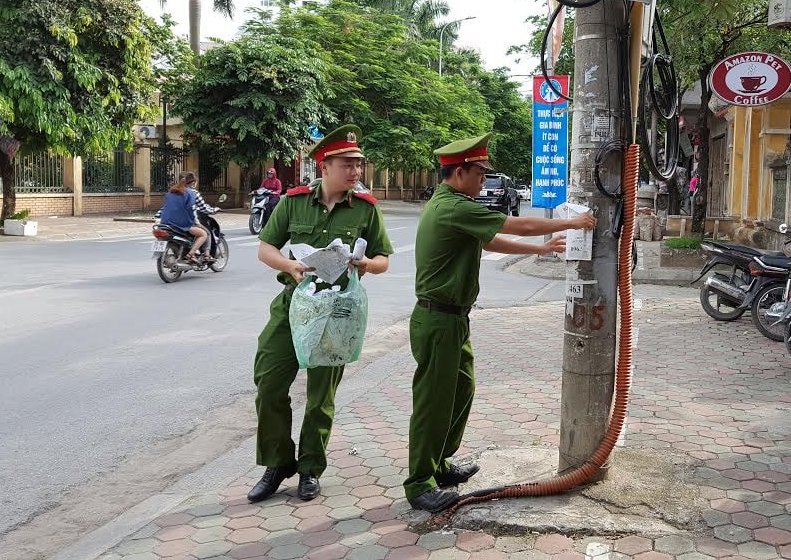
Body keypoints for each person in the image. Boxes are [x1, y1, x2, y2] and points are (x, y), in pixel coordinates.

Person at [404, 133, 597, 513]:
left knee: (461, 391)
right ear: (459, 172)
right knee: (433, 402)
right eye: (479, 174)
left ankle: (439, 464)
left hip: (453, 319)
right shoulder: (452, 206)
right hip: (437, 319)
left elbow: (490, 242)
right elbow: (514, 225)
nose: (484, 182)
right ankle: (419, 483)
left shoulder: (456, 205)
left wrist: (542, 249)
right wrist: (574, 222)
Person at [248, 125, 394, 503]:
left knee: (321, 394)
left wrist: (366, 265)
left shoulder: (365, 209)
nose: (356, 171)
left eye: (359, 165)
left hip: (337, 312)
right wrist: (290, 265)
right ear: (323, 165)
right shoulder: (293, 201)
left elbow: (383, 259)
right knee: (269, 382)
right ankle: (278, 462)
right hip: (294, 305)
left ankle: (310, 468)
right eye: (347, 164)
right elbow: (266, 249)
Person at [158, 172, 216, 264]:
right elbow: (193, 210)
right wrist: (197, 222)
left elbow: (164, 208)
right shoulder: (192, 193)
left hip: (165, 223)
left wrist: (157, 218)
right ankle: (191, 254)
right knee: (204, 234)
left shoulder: (171, 192)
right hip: (181, 224)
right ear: (193, 182)